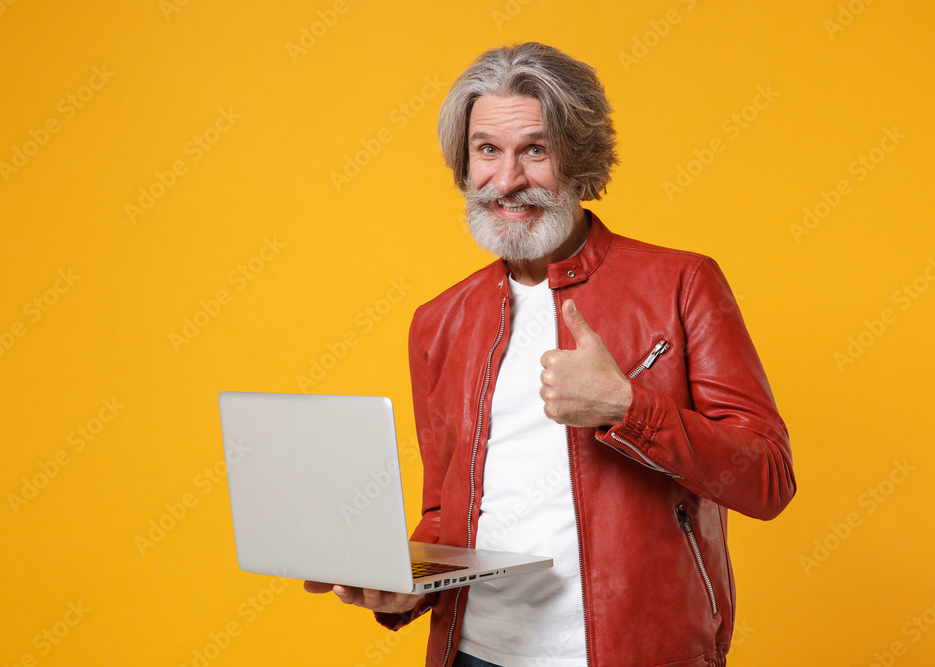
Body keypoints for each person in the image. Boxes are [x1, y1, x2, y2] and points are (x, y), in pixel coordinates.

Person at [305, 42, 796, 667]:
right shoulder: (439, 322)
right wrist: (402, 584)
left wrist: (627, 407)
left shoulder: (681, 283)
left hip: (637, 653)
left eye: (534, 150)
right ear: (464, 162)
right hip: (474, 653)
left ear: (579, 159)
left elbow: (767, 478)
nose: (507, 180)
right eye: (487, 150)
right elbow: (443, 513)